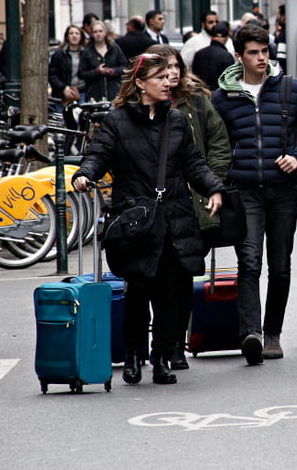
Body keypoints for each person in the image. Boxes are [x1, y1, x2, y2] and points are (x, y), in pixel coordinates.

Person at [72, 53, 224, 386]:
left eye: (169, 78)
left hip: (173, 219)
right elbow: (98, 155)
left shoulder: (178, 121)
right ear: (140, 83)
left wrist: (214, 188)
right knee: (139, 293)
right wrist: (85, 174)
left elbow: (194, 165)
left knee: (171, 294)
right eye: (160, 78)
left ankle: (162, 357)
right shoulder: (117, 121)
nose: (168, 82)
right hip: (136, 223)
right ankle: (133, 354)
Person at [211, 23, 297, 365]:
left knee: (280, 266)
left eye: (265, 51)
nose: (262, 58)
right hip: (243, 190)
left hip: (283, 190)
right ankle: (251, 333)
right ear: (238, 56)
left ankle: (272, 332)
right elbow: (215, 145)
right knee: (248, 262)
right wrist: (219, 182)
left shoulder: (289, 89)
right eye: (254, 53)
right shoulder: (223, 98)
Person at [146, 44, 231, 371]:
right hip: (152, 210)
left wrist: (212, 183)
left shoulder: (196, 101)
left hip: (193, 207)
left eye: (176, 65)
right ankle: (159, 343)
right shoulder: (136, 109)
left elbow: (219, 143)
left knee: (182, 279)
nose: (173, 73)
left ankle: (175, 344)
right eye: (164, 68)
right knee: (154, 281)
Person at [78, 20, 127, 102]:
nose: (98, 34)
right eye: (95, 32)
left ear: (105, 32)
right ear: (91, 34)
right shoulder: (87, 51)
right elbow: (81, 73)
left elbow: (124, 66)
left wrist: (113, 71)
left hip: (114, 92)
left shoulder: (114, 48)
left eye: (100, 31)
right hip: (94, 95)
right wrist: (96, 71)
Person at [49, 25, 86, 106]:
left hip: (82, 92)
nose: (74, 36)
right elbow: (52, 75)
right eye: (71, 33)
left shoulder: (86, 54)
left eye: (77, 33)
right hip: (62, 94)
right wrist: (63, 88)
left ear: (81, 36)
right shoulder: (59, 54)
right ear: (67, 37)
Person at [192, 21, 235, 91]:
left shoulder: (199, 54)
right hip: (220, 97)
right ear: (227, 37)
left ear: (211, 37)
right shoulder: (226, 56)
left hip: (201, 95)